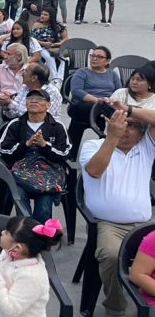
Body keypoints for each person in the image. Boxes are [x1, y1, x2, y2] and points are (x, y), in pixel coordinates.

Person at [80, 104, 155, 316]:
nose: (123, 127)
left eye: (130, 125)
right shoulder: (93, 145)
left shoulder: (146, 146)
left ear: (142, 132)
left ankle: (148, 299)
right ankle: (116, 306)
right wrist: (112, 138)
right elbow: (94, 171)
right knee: (111, 255)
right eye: (117, 122)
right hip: (109, 224)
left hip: (145, 225)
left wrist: (128, 110)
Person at [0, 89, 71, 222]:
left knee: (44, 205)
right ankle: (24, 231)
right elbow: (4, 151)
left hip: (48, 174)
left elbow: (65, 153)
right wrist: (26, 144)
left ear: (48, 105)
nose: (33, 101)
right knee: (19, 197)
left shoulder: (57, 127)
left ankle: (40, 237)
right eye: (30, 99)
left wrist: (45, 146)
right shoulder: (15, 124)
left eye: (39, 99)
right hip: (21, 173)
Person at [0, 216, 63, 317]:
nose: (2, 232)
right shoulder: (8, 253)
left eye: (7, 233)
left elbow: (10, 310)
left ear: (17, 248)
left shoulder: (32, 277)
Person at [68, 46, 122, 154]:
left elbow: (119, 92)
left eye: (99, 57)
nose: (94, 58)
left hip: (107, 104)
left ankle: (113, 150)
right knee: (99, 110)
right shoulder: (82, 72)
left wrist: (109, 100)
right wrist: (98, 100)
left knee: (121, 115)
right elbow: (76, 91)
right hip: (84, 105)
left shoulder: (112, 74)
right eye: (92, 55)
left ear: (107, 61)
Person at [0, 43, 29, 141]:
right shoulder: (1, 68)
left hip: (21, 101)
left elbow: (31, 90)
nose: (5, 56)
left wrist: (12, 100)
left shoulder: (28, 70)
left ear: (19, 56)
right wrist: (2, 98)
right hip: (0, 101)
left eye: (9, 54)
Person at [30, 8, 67, 84]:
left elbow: (65, 38)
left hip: (55, 47)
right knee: (48, 57)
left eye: (45, 15)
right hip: (41, 47)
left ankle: (59, 78)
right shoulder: (36, 25)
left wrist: (59, 44)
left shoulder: (58, 25)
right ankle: (53, 79)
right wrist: (43, 43)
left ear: (51, 16)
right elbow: (32, 39)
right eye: (42, 14)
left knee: (65, 59)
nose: (42, 16)